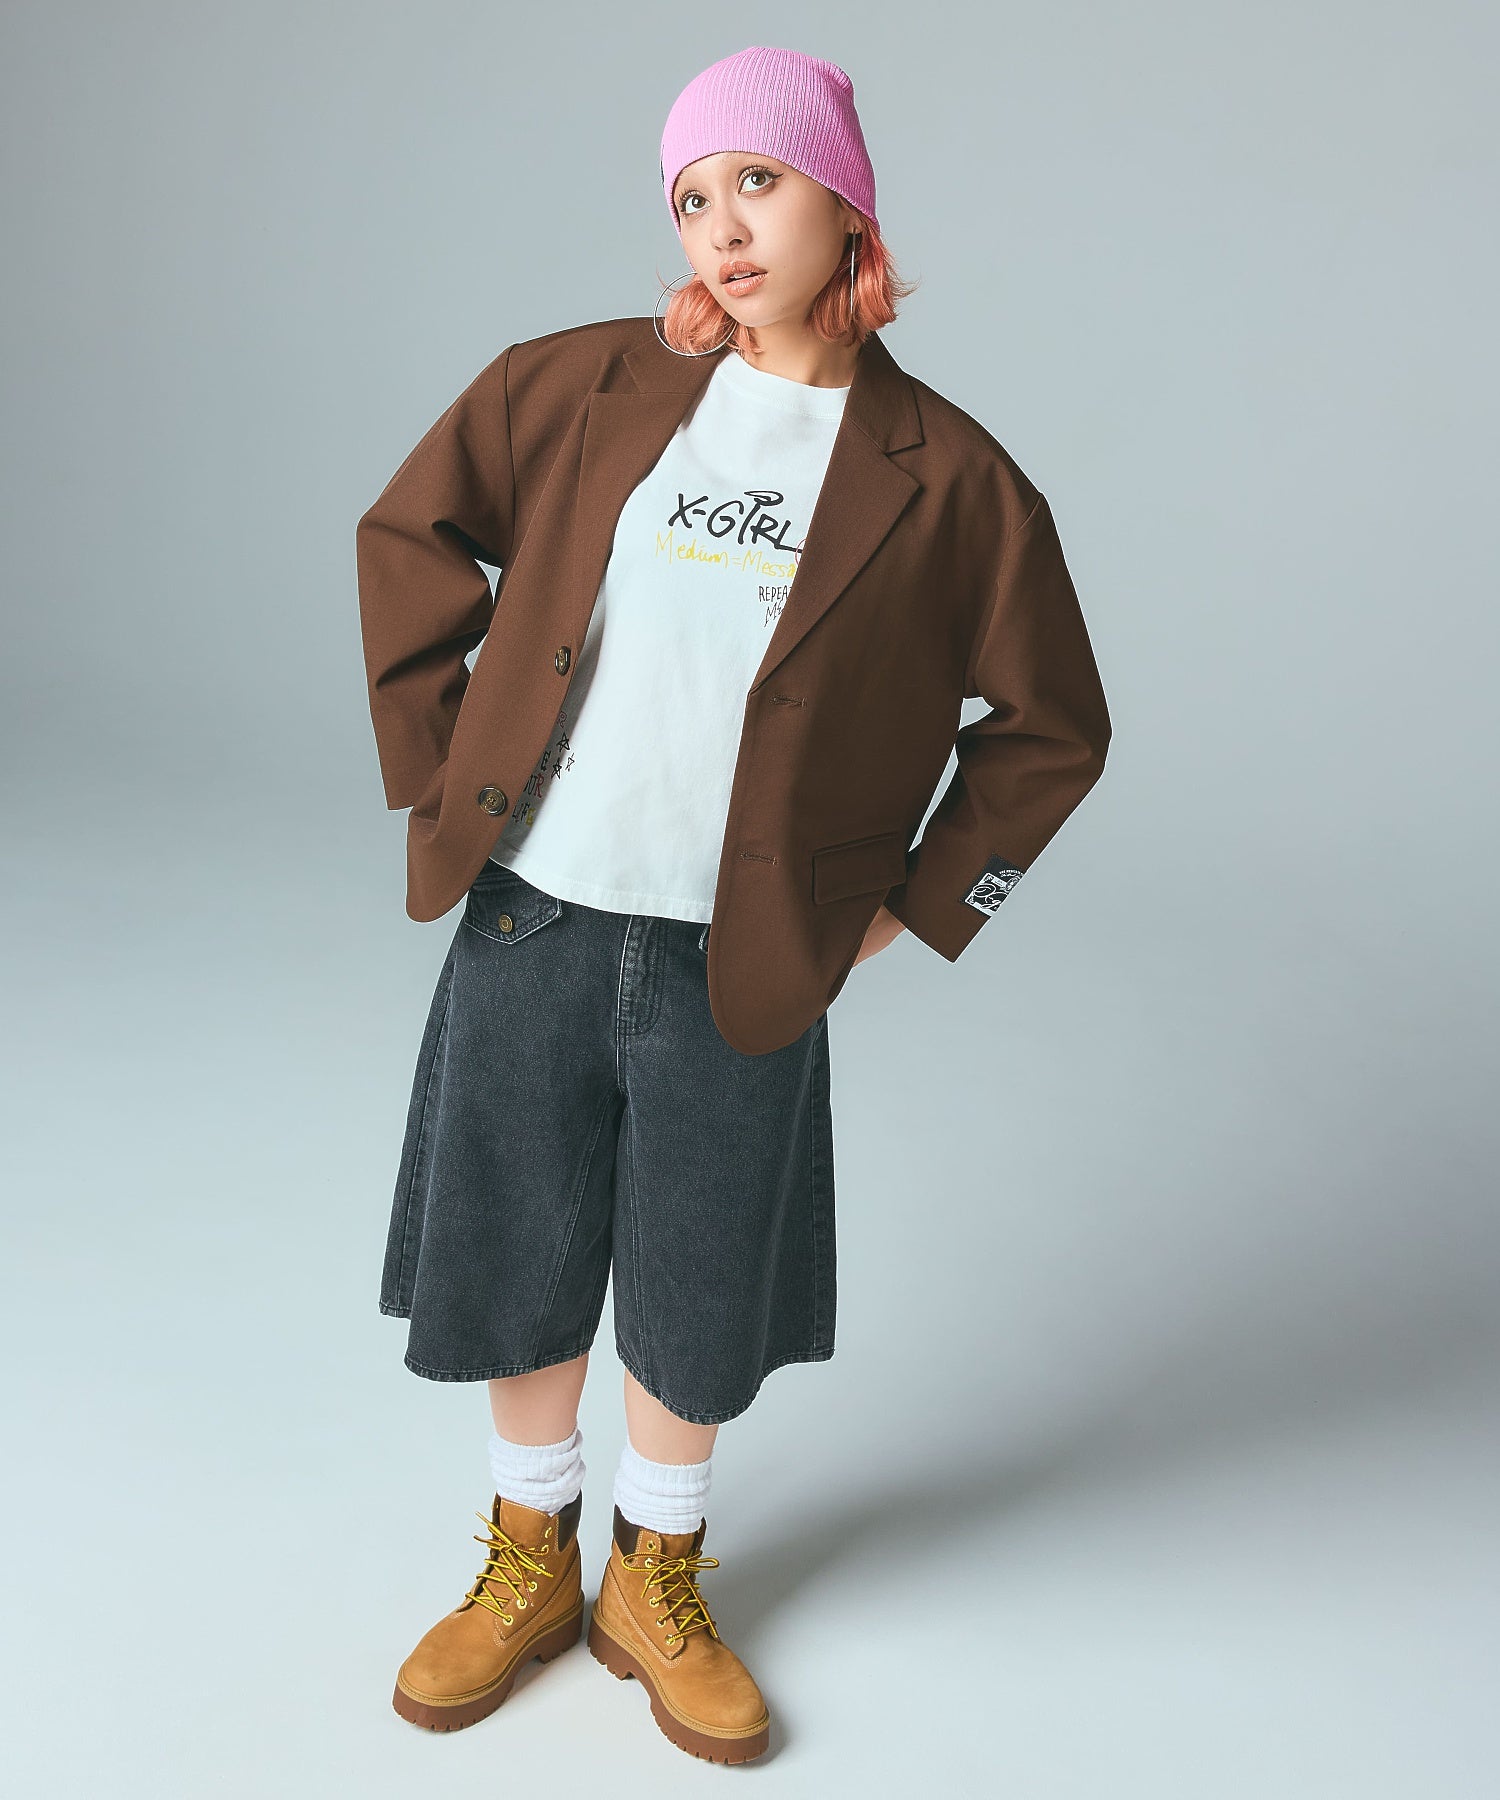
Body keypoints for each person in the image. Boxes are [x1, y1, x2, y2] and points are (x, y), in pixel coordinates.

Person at [354, 44, 1111, 1763]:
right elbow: (408, 537)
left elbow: (1054, 728)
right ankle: (527, 1558)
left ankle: (657, 1579)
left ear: (845, 200)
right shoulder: (580, 385)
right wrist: (441, 770)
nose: (721, 225)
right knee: (513, 1243)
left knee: (702, 1276)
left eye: (757, 181)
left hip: (744, 953)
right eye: (692, 197)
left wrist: (921, 906)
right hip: (535, 912)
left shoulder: (952, 479)